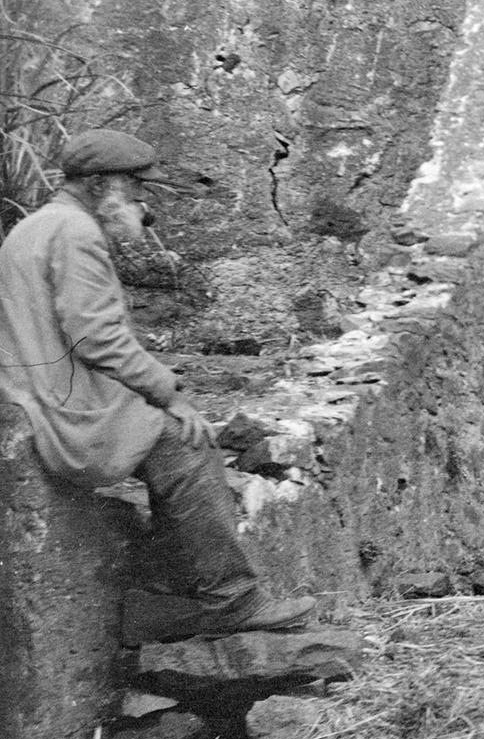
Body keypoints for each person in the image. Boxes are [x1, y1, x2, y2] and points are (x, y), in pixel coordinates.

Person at [0, 131, 315, 638]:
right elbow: (97, 338)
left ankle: (164, 601)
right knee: (187, 443)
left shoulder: (35, 226)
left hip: (40, 396)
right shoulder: (76, 233)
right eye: (135, 186)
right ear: (99, 184)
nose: (143, 201)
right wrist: (169, 394)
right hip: (66, 412)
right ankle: (231, 599)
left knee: (171, 442)